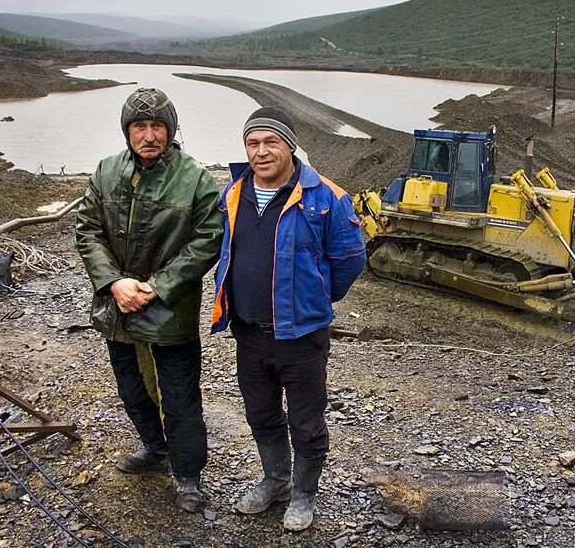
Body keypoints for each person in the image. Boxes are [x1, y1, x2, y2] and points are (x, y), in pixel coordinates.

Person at [210, 106, 366, 531]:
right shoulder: (233, 193)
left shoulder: (327, 197)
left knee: (307, 422)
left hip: (303, 337)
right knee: (260, 414)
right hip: (249, 333)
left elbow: (351, 259)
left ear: (290, 145)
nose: (261, 152)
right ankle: (276, 480)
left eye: (270, 142)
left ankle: (304, 494)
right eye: (253, 143)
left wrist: (315, 295)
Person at [75, 87, 223, 513]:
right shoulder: (106, 171)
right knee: (132, 390)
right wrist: (114, 282)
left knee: (179, 398)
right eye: (139, 126)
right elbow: (87, 230)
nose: (149, 135)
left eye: (158, 126)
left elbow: (208, 238)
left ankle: (189, 475)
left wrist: (158, 286)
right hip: (117, 308)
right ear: (127, 131)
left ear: (171, 130)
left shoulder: (194, 178)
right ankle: (155, 451)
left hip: (168, 310)